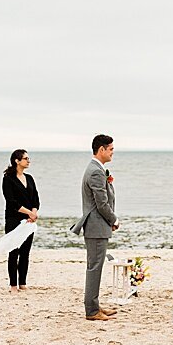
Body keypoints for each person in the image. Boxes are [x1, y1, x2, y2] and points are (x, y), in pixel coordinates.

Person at [73, 135, 119, 321]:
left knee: (96, 266)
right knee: (94, 268)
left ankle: (95, 304)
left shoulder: (97, 169)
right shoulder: (95, 172)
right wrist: (114, 220)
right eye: (110, 149)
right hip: (96, 226)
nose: (112, 152)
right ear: (101, 149)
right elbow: (101, 203)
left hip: (97, 225)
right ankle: (91, 311)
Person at [2, 149, 40, 291]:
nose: (28, 161)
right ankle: (13, 284)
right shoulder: (8, 179)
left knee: (25, 252)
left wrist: (34, 213)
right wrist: (29, 213)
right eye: (25, 158)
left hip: (29, 221)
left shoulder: (29, 178)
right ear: (17, 161)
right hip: (14, 219)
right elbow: (11, 202)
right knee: (13, 252)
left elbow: (35, 198)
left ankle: (22, 283)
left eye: (28, 158)